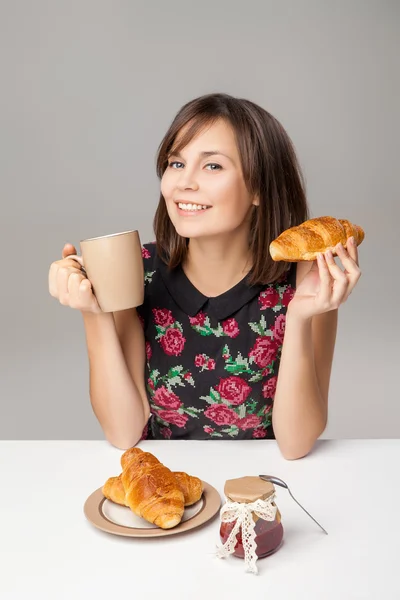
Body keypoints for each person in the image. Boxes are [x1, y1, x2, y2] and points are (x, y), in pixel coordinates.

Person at [48, 93, 361, 459]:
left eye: (212, 167)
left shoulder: (306, 278)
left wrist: (299, 316)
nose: (184, 183)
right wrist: (93, 310)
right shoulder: (137, 267)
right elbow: (123, 431)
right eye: (176, 163)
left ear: (259, 187)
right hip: (171, 491)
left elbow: (295, 444)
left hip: (259, 493)